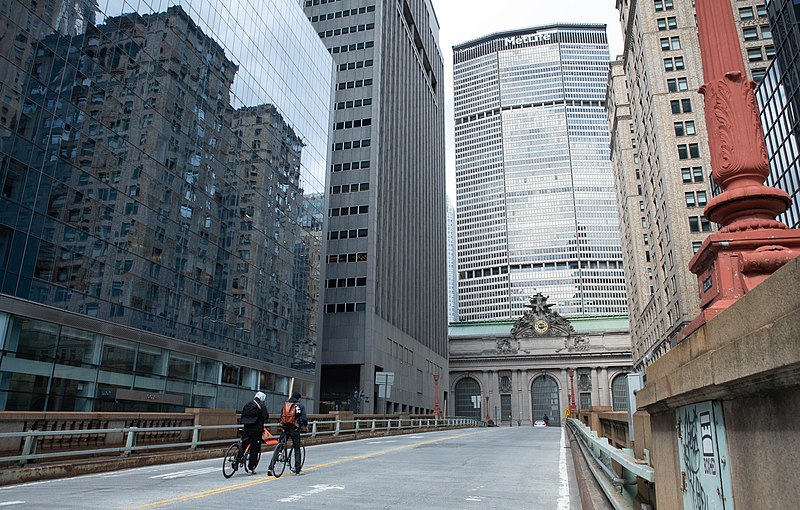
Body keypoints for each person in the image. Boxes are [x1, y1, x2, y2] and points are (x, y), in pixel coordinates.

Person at [269, 391, 308, 475]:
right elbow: (304, 419)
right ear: (299, 399)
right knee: (297, 448)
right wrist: (304, 425)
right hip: (294, 429)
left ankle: (271, 467)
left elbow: (281, 417)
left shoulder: (285, 405)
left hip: (285, 428)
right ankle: (297, 469)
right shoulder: (300, 406)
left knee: (280, 446)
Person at [238, 391, 269, 473]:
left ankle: (236, 460)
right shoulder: (262, 405)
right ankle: (251, 467)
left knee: (243, 444)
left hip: (247, 428)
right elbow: (266, 416)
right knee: (255, 448)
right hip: (257, 430)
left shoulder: (248, 404)